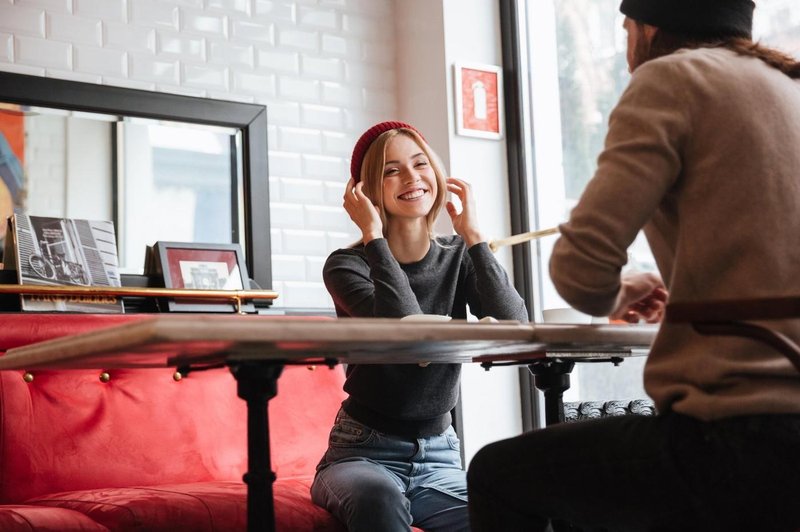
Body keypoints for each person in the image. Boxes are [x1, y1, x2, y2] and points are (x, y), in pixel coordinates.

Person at [467, 1, 800, 530]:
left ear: (648, 27)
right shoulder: (788, 84)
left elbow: (580, 271)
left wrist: (619, 293)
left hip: (736, 434)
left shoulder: (672, 78)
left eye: (625, 27)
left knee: (496, 474)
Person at [311, 120, 528, 531]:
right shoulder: (346, 265)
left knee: (510, 514)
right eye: (391, 170)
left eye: (420, 163)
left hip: (441, 454)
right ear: (367, 191)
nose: (411, 178)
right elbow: (405, 333)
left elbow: (514, 327)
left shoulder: (457, 255)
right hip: (362, 453)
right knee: (379, 499)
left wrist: (475, 237)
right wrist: (374, 237)